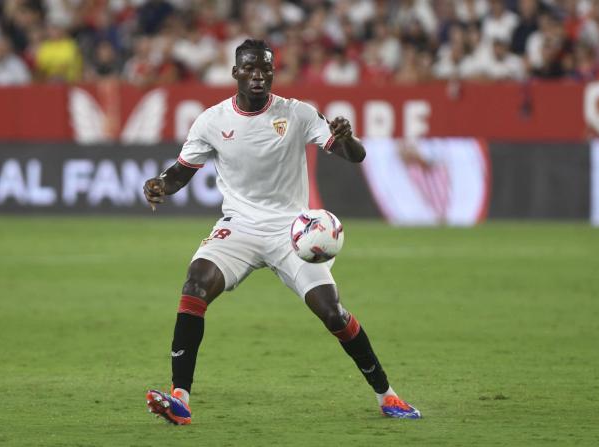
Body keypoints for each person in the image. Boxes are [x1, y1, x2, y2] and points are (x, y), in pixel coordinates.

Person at [143, 39, 421, 425]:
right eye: (250, 68)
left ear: (273, 74)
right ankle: (180, 398)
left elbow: (354, 156)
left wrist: (346, 138)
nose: (258, 75)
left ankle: (387, 396)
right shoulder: (212, 121)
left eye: (266, 69)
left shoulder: (298, 113)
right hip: (239, 227)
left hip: (292, 232)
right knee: (195, 286)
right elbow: (180, 174)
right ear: (236, 73)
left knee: (332, 313)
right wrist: (158, 184)